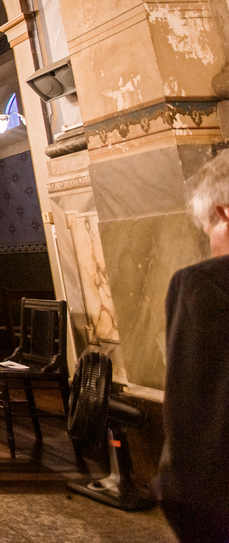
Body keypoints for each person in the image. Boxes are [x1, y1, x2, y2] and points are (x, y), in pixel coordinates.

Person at [159, 151, 229, 541]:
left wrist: (177, 491)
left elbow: (192, 403)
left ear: (225, 213)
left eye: (209, 228)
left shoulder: (204, 282)